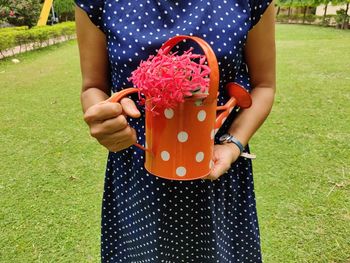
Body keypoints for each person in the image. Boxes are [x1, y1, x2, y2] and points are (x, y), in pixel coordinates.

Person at [74, 0, 275, 262]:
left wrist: (232, 144)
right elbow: (93, 86)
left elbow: (264, 85)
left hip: (217, 170)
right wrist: (105, 119)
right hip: (137, 172)